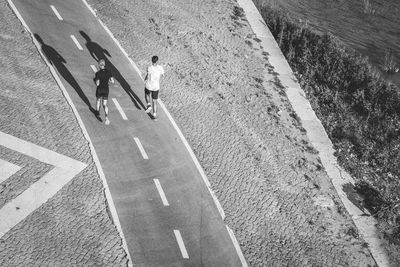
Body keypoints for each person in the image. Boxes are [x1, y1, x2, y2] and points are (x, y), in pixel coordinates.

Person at [94, 59, 114, 125]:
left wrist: (95, 80)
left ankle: (97, 112)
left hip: (99, 89)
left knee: (98, 100)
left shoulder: (98, 73)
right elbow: (112, 81)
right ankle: (106, 117)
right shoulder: (109, 72)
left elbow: (97, 84)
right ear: (104, 64)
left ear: (99, 65)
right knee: (105, 104)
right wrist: (108, 80)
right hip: (106, 89)